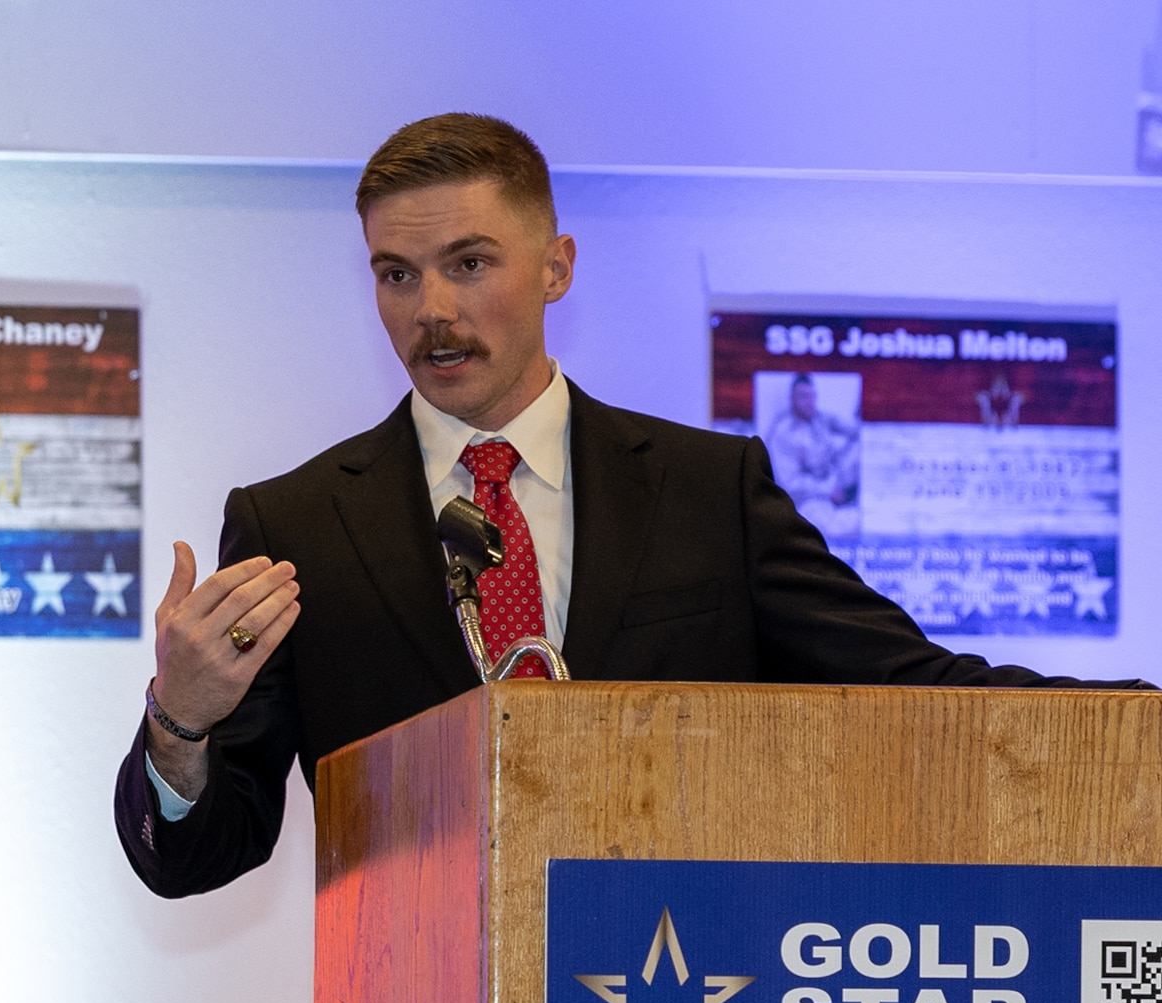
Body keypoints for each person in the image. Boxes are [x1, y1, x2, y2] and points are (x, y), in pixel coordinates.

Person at [114, 114, 1154, 899]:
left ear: (555, 267)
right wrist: (180, 723)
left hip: (690, 998)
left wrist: (1140, 725)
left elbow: (910, 690)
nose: (431, 310)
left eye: (469, 264)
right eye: (396, 274)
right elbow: (199, 857)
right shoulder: (297, 525)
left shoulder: (712, 492)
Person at [764, 372, 861, 539]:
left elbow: (853, 430)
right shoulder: (782, 433)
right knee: (842, 530)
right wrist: (829, 491)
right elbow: (790, 484)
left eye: (812, 396)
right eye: (803, 396)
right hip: (808, 500)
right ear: (792, 398)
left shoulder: (819, 418)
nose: (809, 402)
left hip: (836, 482)